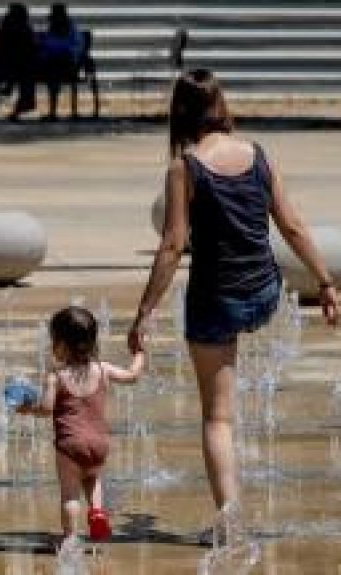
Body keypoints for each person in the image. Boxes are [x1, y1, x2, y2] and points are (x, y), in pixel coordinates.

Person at [129, 69, 338, 544]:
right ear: (221, 105)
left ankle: (229, 516)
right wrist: (326, 284)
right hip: (265, 293)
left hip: (215, 303)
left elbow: (172, 245)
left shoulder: (185, 167)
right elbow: (294, 226)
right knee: (238, 373)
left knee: (217, 417)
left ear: (180, 113)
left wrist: (144, 312)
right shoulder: (259, 155)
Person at [18, 306, 145, 552]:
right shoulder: (103, 369)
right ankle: (97, 512)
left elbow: (46, 408)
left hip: (70, 446)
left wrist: (27, 408)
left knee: (69, 495)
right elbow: (132, 375)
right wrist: (140, 351)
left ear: (61, 344)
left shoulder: (56, 376)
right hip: (99, 444)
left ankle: (70, 538)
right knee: (93, 478)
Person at [38, 3, 83, 120]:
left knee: (53, 71)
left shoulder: (72, 30)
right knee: (52, 73)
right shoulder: (51, 30)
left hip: (67, 66)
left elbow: (76, 48)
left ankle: (63, 112)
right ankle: (52, 112)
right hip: (53, 66)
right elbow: (46, 48)